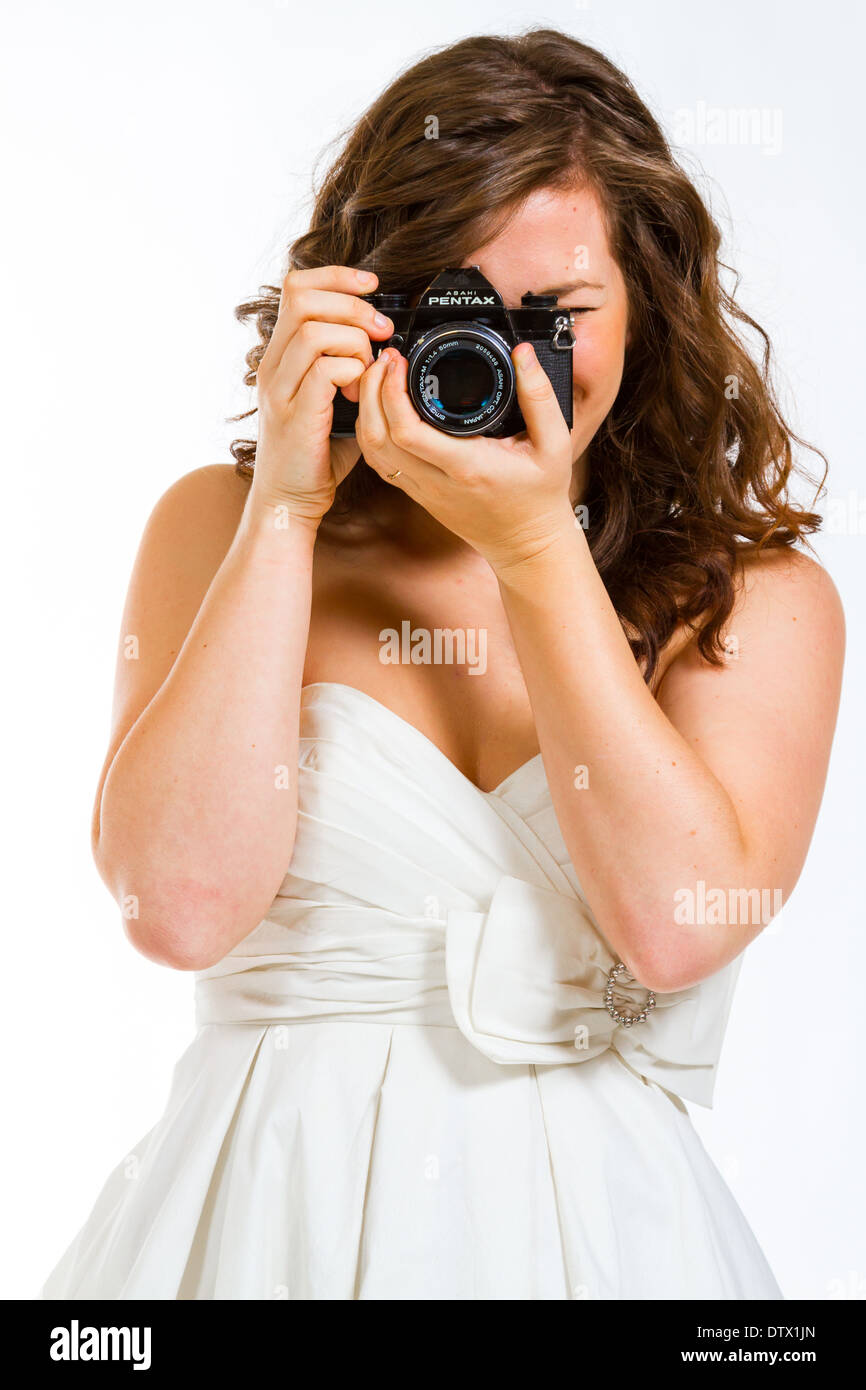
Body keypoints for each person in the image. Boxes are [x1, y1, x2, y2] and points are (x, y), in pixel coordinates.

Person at [42, 27, 844, 1300]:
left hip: (606, 1248)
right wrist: (288, 515)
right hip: (257, 1229)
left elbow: (672, 928)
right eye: (456, 310)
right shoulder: (221, 524)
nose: (512, 360)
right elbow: (176, 908)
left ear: (645, 302)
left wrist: (533, 547)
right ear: (367, 301)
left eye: (560, 314)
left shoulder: (753, 601)